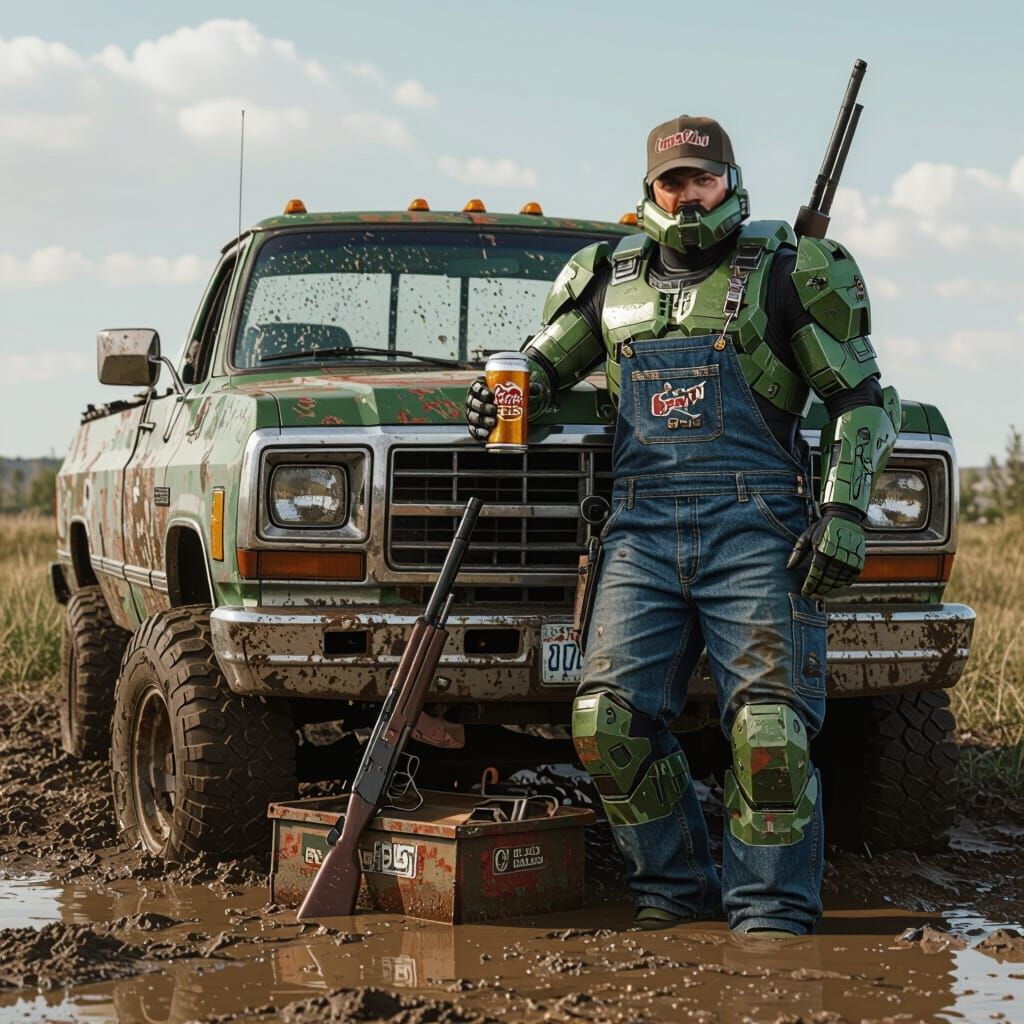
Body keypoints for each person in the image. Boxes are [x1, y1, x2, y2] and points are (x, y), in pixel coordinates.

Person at [465, 115, 900, 936]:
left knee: (768, 733)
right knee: (607, 722)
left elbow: (862, 400)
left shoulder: (792, 271)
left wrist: (844, 509)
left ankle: (771, 917)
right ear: (650, 189)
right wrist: (499, 399)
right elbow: (541, 372)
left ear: (730, 181)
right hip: (641, 528)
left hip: (759, 525)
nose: (689, 193)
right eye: (675, 180)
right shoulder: (604, 277)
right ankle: (674, 895)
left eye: (704, 178)